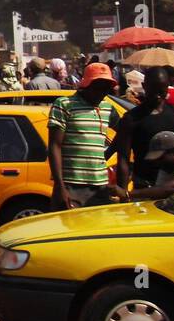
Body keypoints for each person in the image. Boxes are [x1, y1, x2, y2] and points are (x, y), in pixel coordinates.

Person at [48, 62, 124, 210]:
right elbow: (54, 146)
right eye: (99, 88)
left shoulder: (107, 108)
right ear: (87, 85)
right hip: (71, 186)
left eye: (106, 89)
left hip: (100, 186)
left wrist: (106, 154)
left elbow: (124, 133)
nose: (103, 93)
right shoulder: (64, 104)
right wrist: (60, 186)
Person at [113, 67, 174, 192]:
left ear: (168, 87)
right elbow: (123, 159)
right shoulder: (131, 119)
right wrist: (124, 192)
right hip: (143, 186)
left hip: (173, 188)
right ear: (144, 86)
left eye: (162, 91)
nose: (158, 96)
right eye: (154, 91)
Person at [124, 131, 174, 200]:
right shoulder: (167, 168)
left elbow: (173, 187)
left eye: (160, 158)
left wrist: (127, 193)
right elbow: (161, 193)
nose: (157, 163)